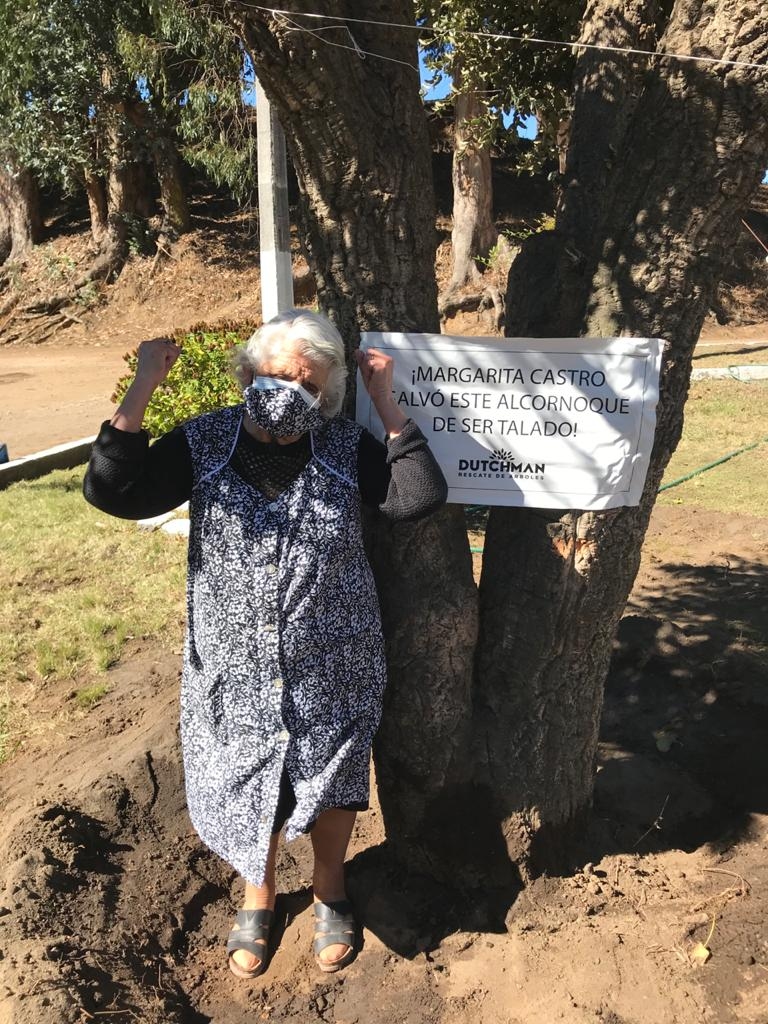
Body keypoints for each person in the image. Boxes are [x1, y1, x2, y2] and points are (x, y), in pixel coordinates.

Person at [83, 309, 447, 979]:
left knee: (333, 779)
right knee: (257, 779)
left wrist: (385, 402)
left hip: (333, 659)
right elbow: (114, 490)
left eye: (306, 385)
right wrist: (143, 386)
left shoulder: (342, 445)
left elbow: (416, 497)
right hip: (234, 666)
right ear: (248, 375)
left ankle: (331, 889)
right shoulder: (204, 441)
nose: (288, 393)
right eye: (277, 376)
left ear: (327, 392)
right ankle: (260, 893)